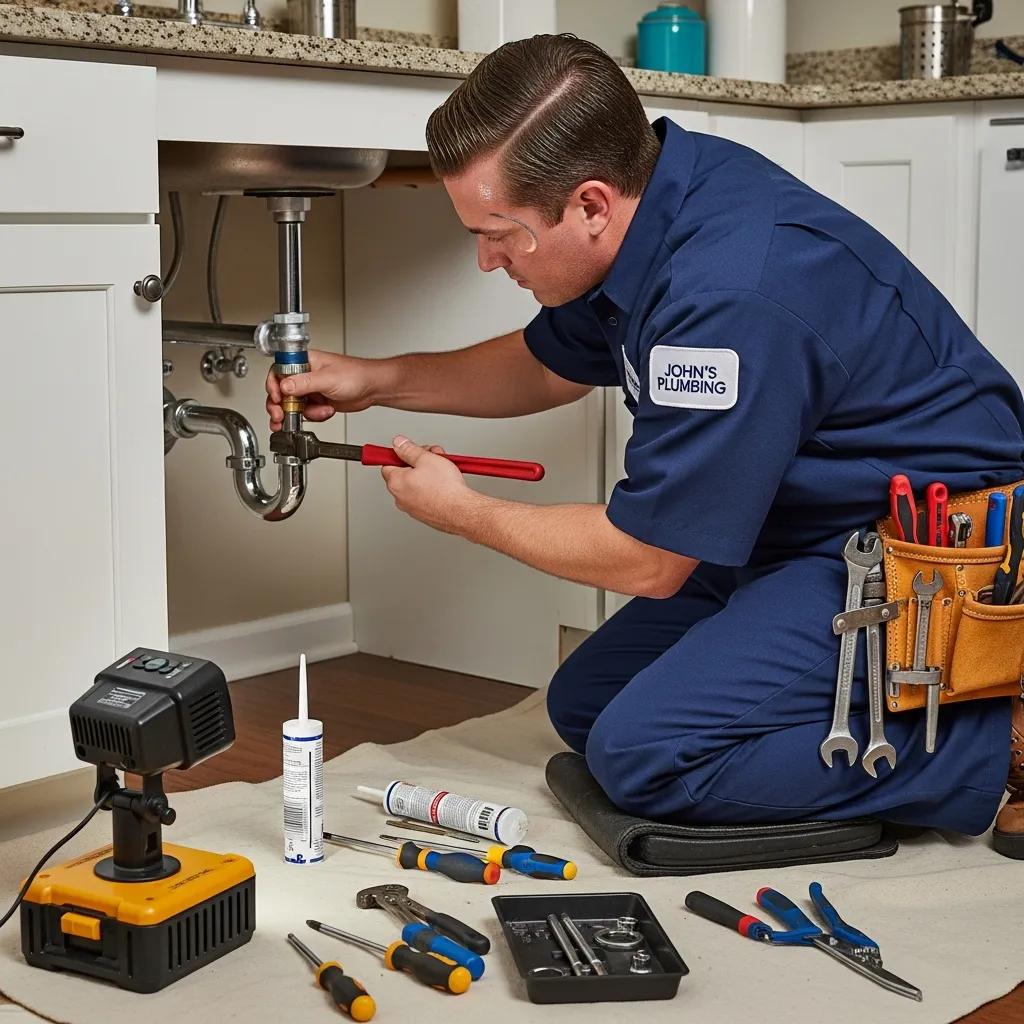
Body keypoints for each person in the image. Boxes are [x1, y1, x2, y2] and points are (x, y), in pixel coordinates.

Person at [266, 34, 1024, 853]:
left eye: (501, 232)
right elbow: (546, 365)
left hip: (929, 555)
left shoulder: (727, 295)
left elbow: (650, 560)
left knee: (647, 756)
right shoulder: (661, 195)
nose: (487, 260)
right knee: (585, 706)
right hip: (797, 526)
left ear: (590, 204)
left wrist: (465, 512)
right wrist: (377, 378)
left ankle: (996, 741)